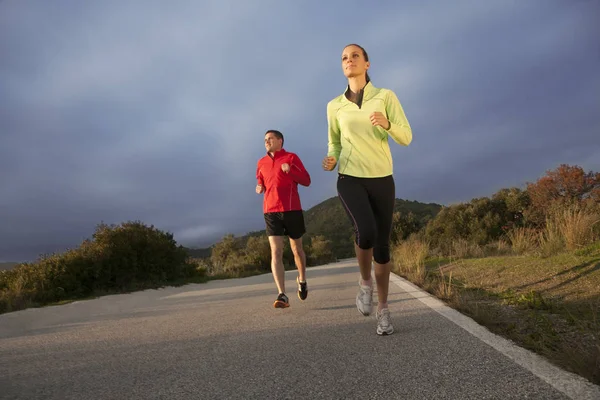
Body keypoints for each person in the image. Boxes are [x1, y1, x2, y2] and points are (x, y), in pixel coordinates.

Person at [322, 44, 412, 335]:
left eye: (355, 56)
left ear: (367, 64)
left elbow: (406, 137)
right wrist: (332, 157)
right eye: (344, 58)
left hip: (382, 177)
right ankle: (364, 283)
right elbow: (334, 142)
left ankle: (384, 311)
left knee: (383, 249)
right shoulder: (334, 105)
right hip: (350, 177)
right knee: (366, 230)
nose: (349, 61)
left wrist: (387, 124)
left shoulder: (385, 96)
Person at [256, 129, 311, 308]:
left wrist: (291, 170)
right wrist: (259, 186)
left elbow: (306, 180)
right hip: (270, 211)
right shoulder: (261, 162)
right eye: (265, 139)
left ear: (280, 140)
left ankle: (302, 280)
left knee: (297, 250)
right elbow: (260, 180)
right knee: (276, 251)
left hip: (292, 209)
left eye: (270, 138)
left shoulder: (292, 157)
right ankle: (282, 294)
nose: (266, 141)